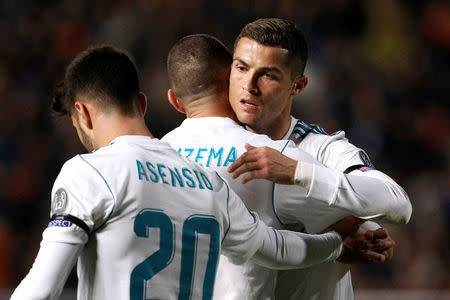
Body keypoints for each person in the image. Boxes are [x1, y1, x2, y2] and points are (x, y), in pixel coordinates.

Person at [10, 45, 377, 300]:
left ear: (83, 114)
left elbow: (42, 289)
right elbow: (276, 248)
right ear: (141, 103)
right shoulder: (208, 181)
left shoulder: (89, 172)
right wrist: (336, 244)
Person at [162, 34, 411, 299]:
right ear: (226, 78)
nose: (249, 85)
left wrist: (297, 172)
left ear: (298, 85)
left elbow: (396, 204)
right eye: (242, 68)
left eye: (268, 74)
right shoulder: (232, 148)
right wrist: (345, 238)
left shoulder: (322, 149)